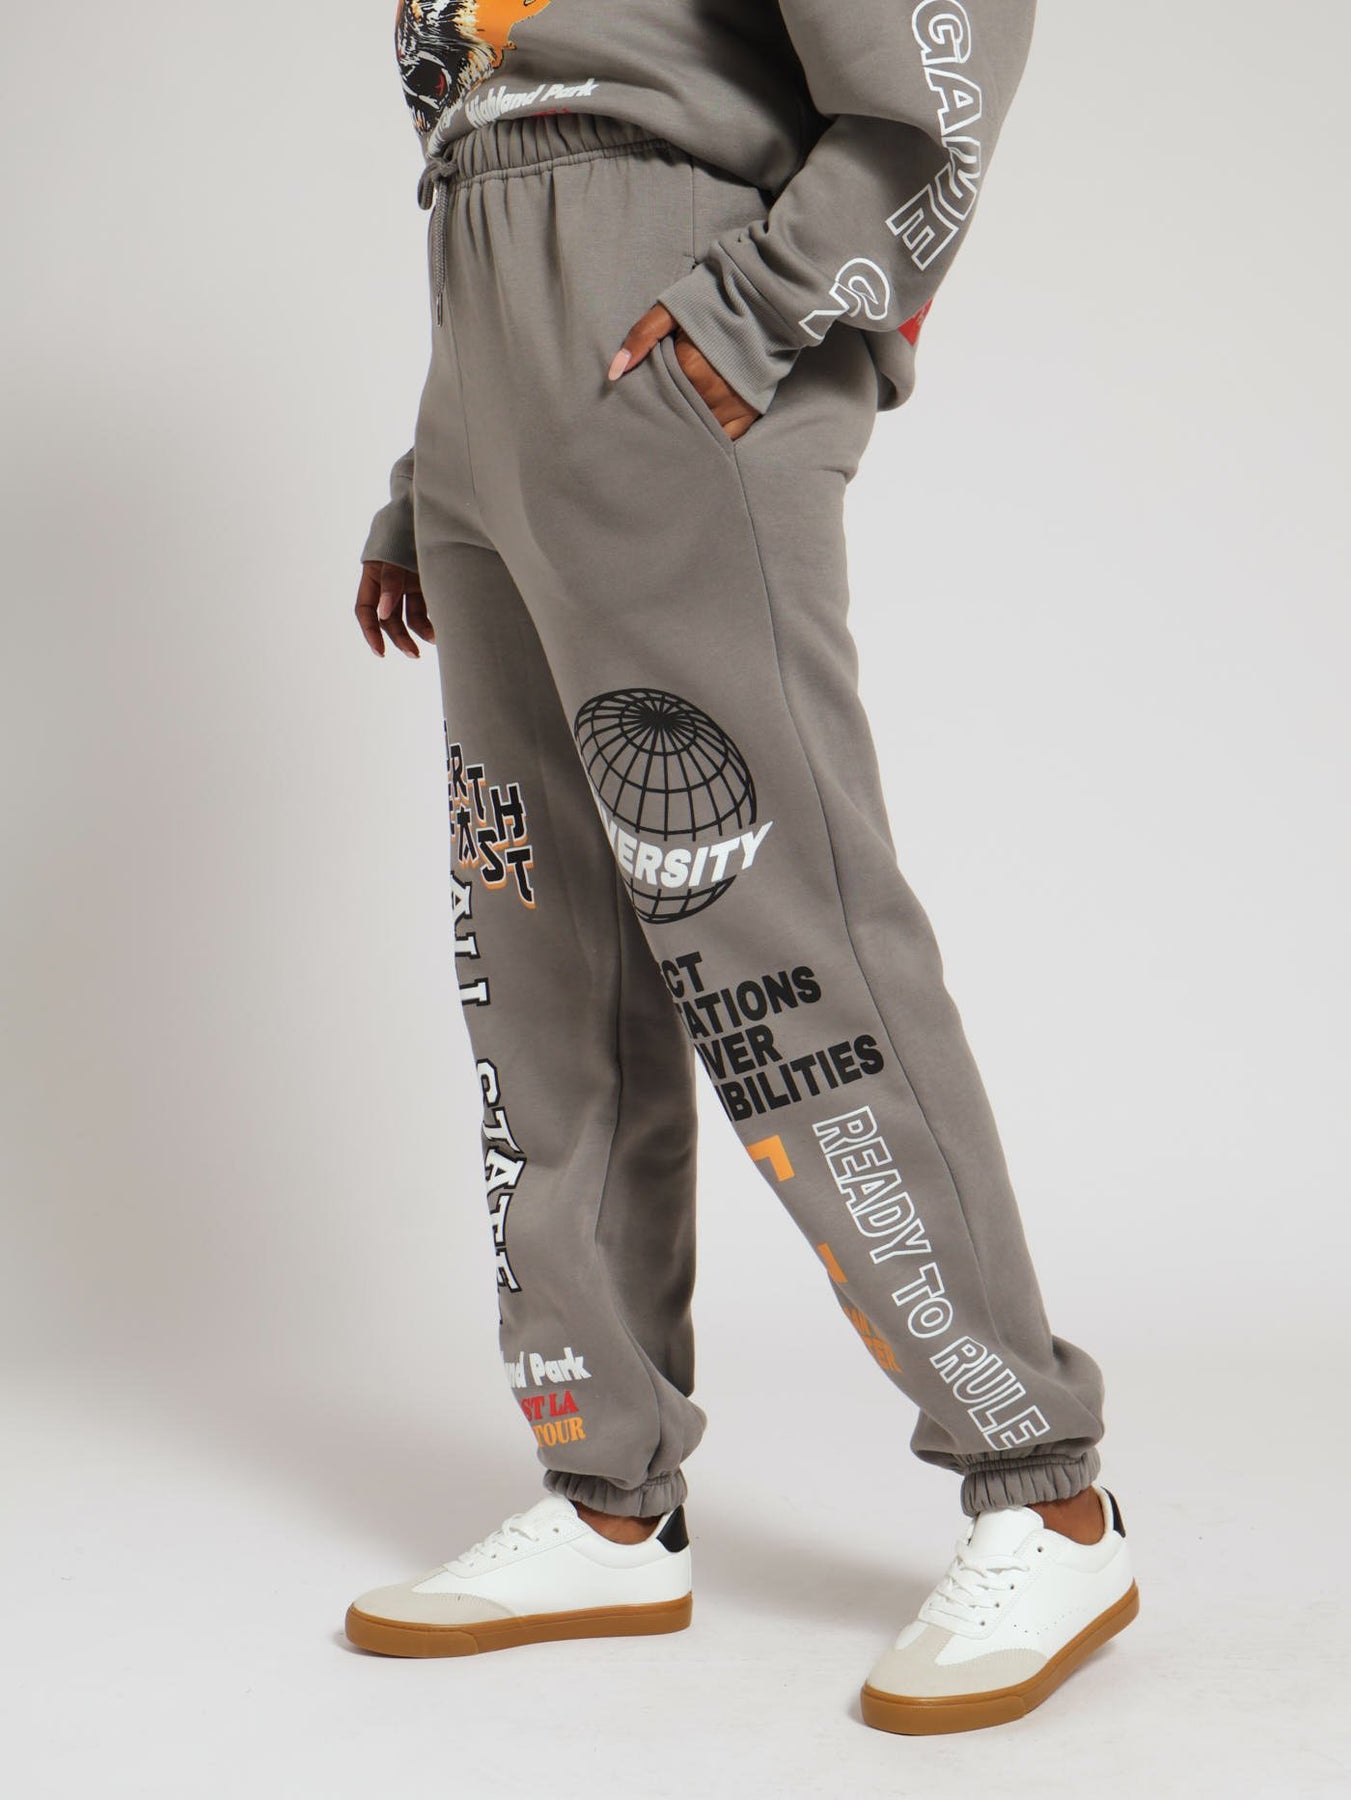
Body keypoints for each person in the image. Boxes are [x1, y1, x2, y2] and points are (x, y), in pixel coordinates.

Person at [343, 0, 1138, 1734]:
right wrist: (434, 462)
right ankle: (609, 1498)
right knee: (538, 955)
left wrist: (766, 305)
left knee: (781, 942)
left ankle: (1044, 1489)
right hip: (489, 369)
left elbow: (937, 65)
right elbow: (490, 126)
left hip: (670, 332)